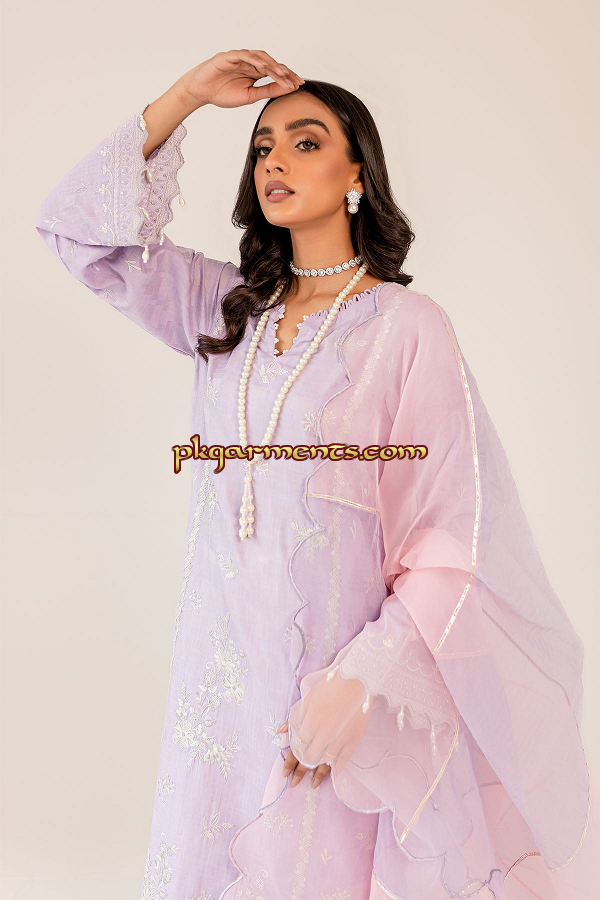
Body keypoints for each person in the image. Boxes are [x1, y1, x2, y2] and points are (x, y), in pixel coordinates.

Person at [35, 49, 599, 900]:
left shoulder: (406, 328)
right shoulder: (224, 313)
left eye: (305, 143)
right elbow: (72, 231)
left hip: (335, 697)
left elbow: (450, 539)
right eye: (263, 148)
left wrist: (360, 682)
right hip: (220, 704)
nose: (275, 162)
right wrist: (187, 96)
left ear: (357, 174)